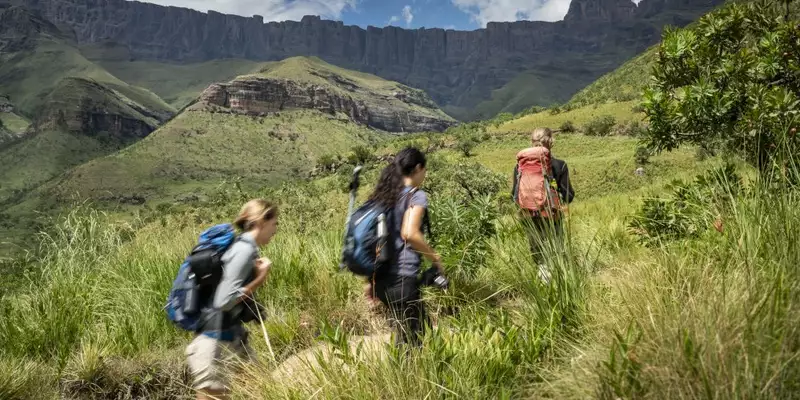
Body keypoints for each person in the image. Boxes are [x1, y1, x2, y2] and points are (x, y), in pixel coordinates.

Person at [185, 199, 278, 400]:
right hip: (213, 343)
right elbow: (224, 301)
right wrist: (261, 277)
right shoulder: (243, 250)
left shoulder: (243, 248)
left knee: (263, 388)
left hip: (230, 337)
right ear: (262, 221)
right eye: (274, 224)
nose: (275, 230)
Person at [367, 147, 442, 347]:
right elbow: (409, 233)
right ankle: (405, 377)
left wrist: (370, 281)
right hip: (401, 279)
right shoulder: (415, 196)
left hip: (381, 281)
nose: (424, 175)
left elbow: (375, 239)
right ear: (418, 168)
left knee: (414, 332)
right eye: (424, 170)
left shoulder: (384, 196)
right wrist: (435, 257)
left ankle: (404, 375)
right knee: (412, 342)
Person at [511, 128, 574, 280]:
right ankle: (559, 280)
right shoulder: (560, 165)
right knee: (555, 247)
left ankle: (542, 277)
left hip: (527, 215)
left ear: (531, 142)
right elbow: (568, 195)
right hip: (552, 214)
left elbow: (514, 195)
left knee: (536, 247)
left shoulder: (520, 167)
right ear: (551, 142)